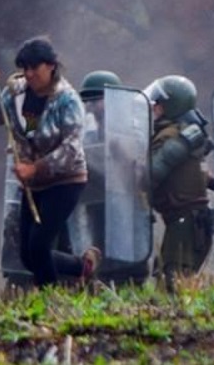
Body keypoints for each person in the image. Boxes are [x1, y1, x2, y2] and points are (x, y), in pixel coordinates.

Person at [0, 36, 99, 289]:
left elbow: (71, 148)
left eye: (35, 67)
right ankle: (82, 267)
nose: (29, 74)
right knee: (26, 254)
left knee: (39, 245)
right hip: (33, 185)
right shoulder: (15, 92)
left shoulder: (68, 100)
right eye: (25, 68)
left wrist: (35, 167)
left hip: (65, 181)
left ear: (51, 66)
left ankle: (50, 297)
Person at [77, 70, 150, 287]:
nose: (91, 106)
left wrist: (120, 151)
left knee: (130, 260)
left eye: (97, 99)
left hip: (127, 204)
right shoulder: (89, 133)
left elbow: (138, 165)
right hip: (97, 204)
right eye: (89, 101)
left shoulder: (131, 128)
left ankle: (133, 291)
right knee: (103, 258)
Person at [143, 74, 214, 291]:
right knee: (170, 281)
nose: (153, 107)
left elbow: (149, 177)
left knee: (172, 286)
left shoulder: (172, 136)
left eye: (159, 104)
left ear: (170, 107)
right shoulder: (179, 133)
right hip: (187, 223)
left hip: (187, 224)